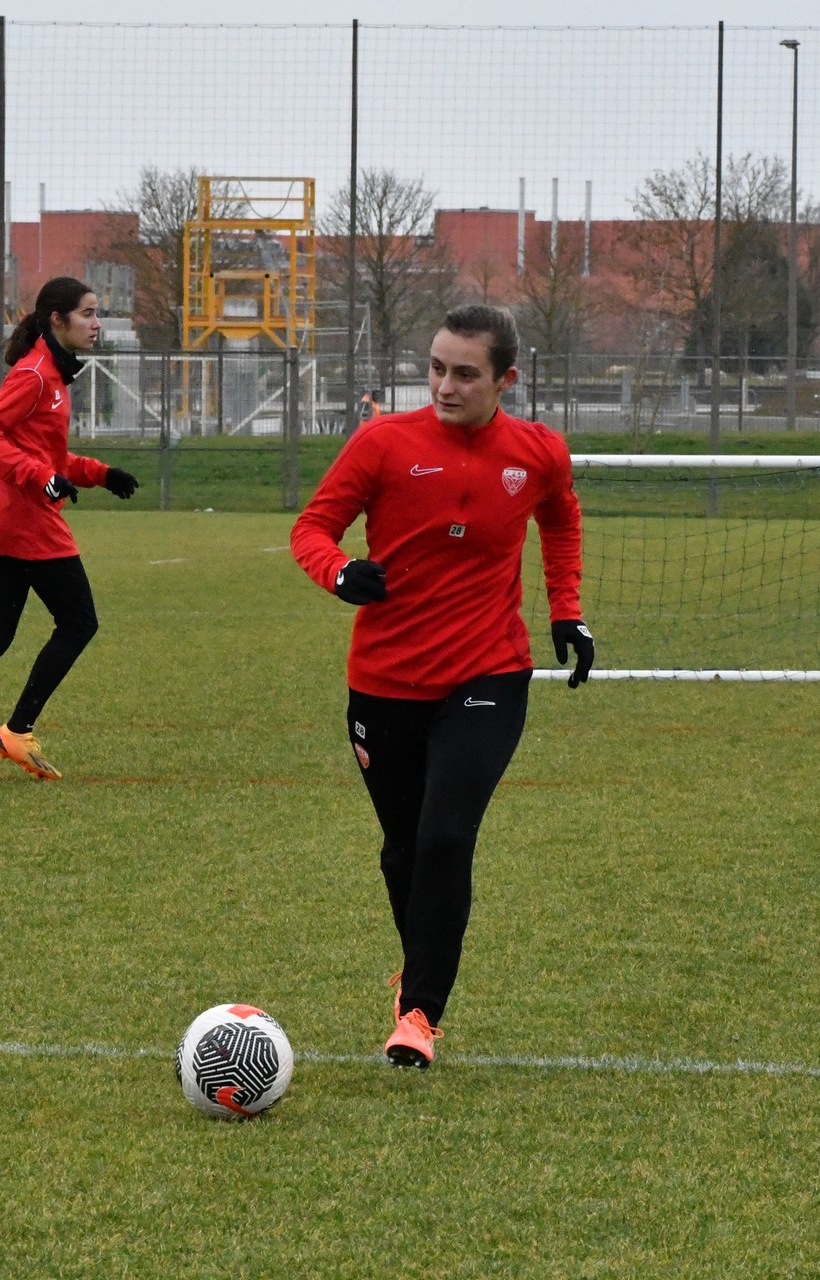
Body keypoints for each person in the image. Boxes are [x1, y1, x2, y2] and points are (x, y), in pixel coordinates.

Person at [290, 303, 595, 1069]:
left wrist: (566, 610)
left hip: (489, 673)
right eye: (435, 369)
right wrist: (340, 573)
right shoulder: (382, 443)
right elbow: (312, 530)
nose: (445, 386)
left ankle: (420, 1013)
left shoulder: (538, 452)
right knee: (404, 851)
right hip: (384, 681)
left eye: (465, 373)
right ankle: (420, 969)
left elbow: (561, 521)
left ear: (505, 379)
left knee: (446, 836)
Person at [0, 277, 139, 782]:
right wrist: (42, 479)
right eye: (88, 313)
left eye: (97, 313)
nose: (97, 324)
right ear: (57, 319)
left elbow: (47, 458)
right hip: (24, 520)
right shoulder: (35, 374)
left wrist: (101, 474)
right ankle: (16, 731)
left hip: (10, 518)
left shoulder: (51, 375)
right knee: (79, 622)